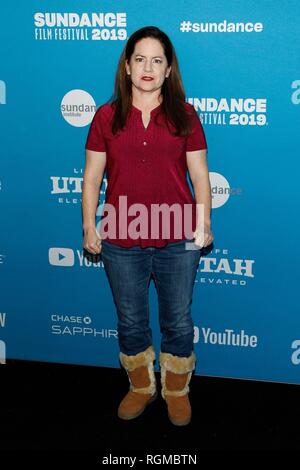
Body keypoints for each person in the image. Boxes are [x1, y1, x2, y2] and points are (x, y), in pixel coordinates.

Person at [82, 26, 213, 426]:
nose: (148, 68)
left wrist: (204, 223)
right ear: (127, 66)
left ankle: (176, 389)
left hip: (177, 236)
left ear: (169, 69)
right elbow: (91, 178)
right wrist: (89, 225)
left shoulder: (185, 116)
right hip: (121, 236)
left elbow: (201, 177)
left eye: (158, 60)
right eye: (140, 59)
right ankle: (141, 386)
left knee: (178, 320)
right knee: (131, 320)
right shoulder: (105, 117)